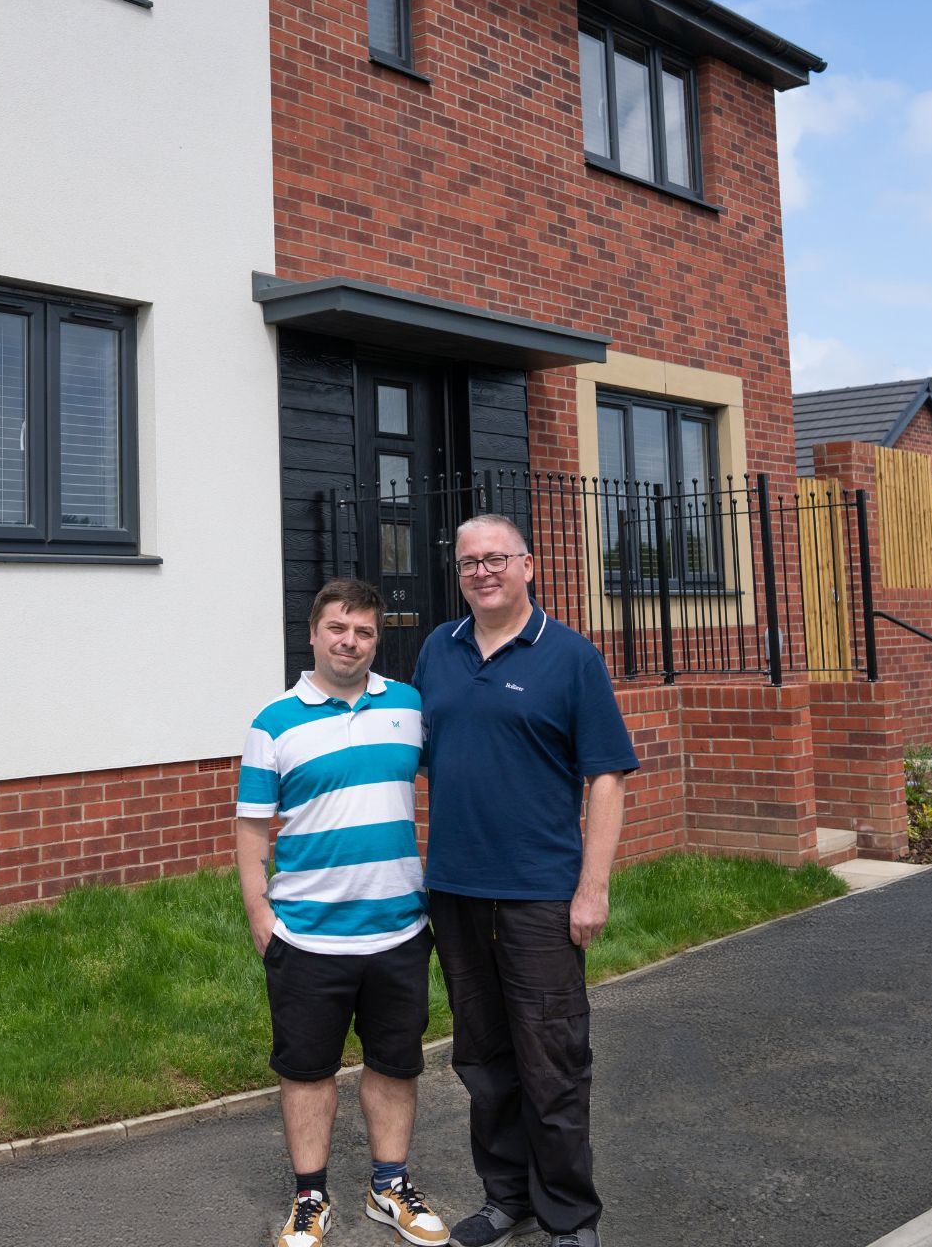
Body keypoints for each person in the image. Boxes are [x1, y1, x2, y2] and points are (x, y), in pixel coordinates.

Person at [415, 515, 637, 1247]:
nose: (482, 571)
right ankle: (507, 1198)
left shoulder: (569, 657)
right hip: (454, 890)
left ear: (529, 566)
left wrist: (592, 886)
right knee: (483, 1057)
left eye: (496, 559)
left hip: (540, 892)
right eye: (469, 561)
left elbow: (605, 776)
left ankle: (571, 1216)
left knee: (553, 1058)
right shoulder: (437, 651)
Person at [237, 578, 451, 1247]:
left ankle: (389, 1187)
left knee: (396, 1062)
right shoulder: (273, 721)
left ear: (375, 639)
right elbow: (250, 833)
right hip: (306, 938)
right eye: (338, 628)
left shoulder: (409, 707)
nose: (350, 641)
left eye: (362, 631)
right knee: (306, 1071)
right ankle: (310, 1199)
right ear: (313, 634)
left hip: (398, 932)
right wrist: (260, 921)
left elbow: (451, 784)